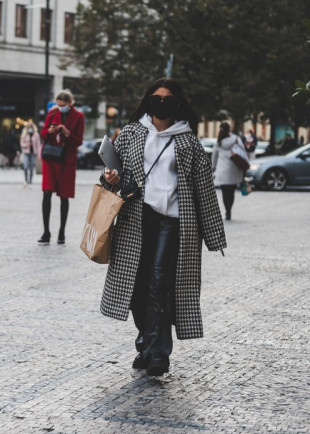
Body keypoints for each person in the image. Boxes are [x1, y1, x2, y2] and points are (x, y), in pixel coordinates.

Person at [100, 77, 226, 377]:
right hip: (135, 218)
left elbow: (204, 189)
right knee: (136, 286)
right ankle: (145, 339)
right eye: (156, 98)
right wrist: (110, 179)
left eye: (167, 99)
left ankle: (158, 353)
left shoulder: (189, 141)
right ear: (148, 100)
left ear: (177, 104)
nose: (161, 103)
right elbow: (111, 174)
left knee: (159, 283)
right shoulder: (131, 133)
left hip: (173, 222)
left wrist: (214, 235)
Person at [38, 89, 84, 245]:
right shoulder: (52, 114)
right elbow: (42, 133)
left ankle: (61, 232)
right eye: (58, 105)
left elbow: (78, 141)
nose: (60, 107)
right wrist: (50, 131)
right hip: (50, 158)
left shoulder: (79, 117)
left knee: (64, 196)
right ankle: (46, 232)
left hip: (67, 160)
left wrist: (67, 133)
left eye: (63, 105)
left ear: (70, 103)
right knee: (46, 192)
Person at [212, 122, 246, 220]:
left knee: (225, 192)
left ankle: (227, 210)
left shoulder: (218, 141)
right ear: (229, 129)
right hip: (234, 169)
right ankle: (229, 210)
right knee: (231, 191)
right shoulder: (236, 139)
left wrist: (213, 168)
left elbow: (214, 157)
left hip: (222, 171)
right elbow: (243, 151)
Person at [20, 121, 41, 186]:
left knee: (31, 167)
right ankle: (26, 179)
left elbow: (38, 145)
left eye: (31, 127)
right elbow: (21, 144)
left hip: (33, 153)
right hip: (26, 152)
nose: (30, 128)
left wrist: (39, 154)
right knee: (25, 166)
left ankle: (30, 180)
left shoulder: (36, 134)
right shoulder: (24, 134)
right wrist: (27, 144)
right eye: (29, 127)